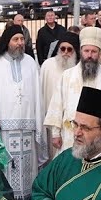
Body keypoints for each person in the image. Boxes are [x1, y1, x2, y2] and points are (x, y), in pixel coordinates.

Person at [0, 24, 46, 200]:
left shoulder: (30, 62)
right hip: (5, 128)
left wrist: (38, 122)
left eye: (22, 39)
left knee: (29, 170)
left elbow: (37, 94)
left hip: (27, 127)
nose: (20, 43)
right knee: (8, 169)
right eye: (15, 39)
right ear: (7, 42)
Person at [44, 27, 101, 153]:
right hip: (69, 134)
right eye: (86, 51)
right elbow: (57, 104)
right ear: (81, 51)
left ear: (99, 54)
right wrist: (55, 133)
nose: (89, 55)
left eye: (93, 51)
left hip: (94, 136)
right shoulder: (67, 75)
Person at [39, 30, 79, 159]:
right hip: (51, 121)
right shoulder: (47, 65)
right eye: (63, 49)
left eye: (69, 49)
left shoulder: (78, 69)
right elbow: (41, 93)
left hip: (73, 125)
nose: (66, 53)